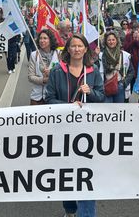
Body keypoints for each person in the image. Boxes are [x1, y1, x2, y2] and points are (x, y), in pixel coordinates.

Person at [45, 33, 104, 217]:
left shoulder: (93, 71)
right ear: (67, 49)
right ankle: (70, 209)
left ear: (86, 49)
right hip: (63, 130)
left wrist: (91, 92)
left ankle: (86, 214)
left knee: (86, 173)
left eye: (80, 46)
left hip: (87, 131)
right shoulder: (57, 71)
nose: (76, 49)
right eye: (73, 46)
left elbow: (102, 97)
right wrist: (67, 107)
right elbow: (49, 99)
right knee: (67, 172)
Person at [99, 31, 135, 103]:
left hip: (120, 86)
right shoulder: (101, 55)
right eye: (109, 40)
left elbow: (131, 72)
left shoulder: (125, 55)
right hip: (106, 86)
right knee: (107, 110)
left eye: (113, 40)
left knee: (119, 110)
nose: (111, 42)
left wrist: (124, 83)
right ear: (105, 42)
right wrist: (95, 56)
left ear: (117, 41)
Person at [27, 29, 60, 105]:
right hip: (37, 98)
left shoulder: (59, 54)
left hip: (54, 97)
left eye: (45, 38)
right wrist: (43, 80)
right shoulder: (34, 55)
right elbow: (30, 77)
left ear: (50, 40)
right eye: (40, 38)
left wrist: (51, 74)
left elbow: (63, 75)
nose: (42, 40)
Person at [123, 27, 139, 103]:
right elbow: (126, 48)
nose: (136, 34)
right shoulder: (128, 39)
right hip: (131, 67)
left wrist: (137, 41)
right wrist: (133, 41)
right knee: (130, 85)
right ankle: (127, 100)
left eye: (138, 32)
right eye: (134, 33)